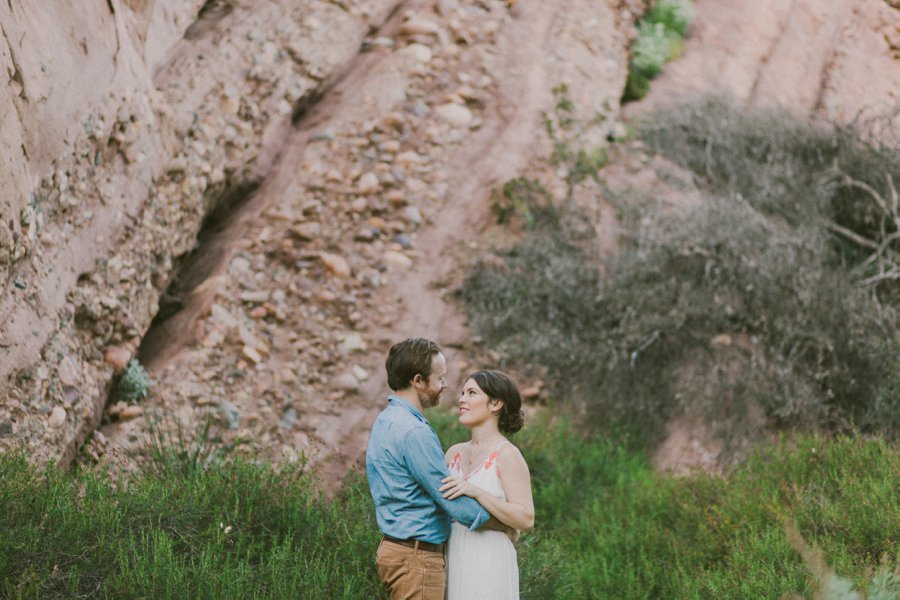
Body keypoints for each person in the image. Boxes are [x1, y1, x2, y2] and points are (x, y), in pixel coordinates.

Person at [366, 338, 505, 600]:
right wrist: (502, 524)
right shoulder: (414, 431)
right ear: (418, 380)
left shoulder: (385, 420)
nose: (445, 385)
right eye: (440, 378)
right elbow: (448, 494)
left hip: (395, 551)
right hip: (417, 560)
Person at [439, 370, 535, 600]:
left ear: (495, 403)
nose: (462, 399)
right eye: (463, 393)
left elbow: (526, 519)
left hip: (489, 562)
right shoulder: (453, 452)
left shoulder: (507, 454)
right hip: (452, 557)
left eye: (472, 393)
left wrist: (477, 492)